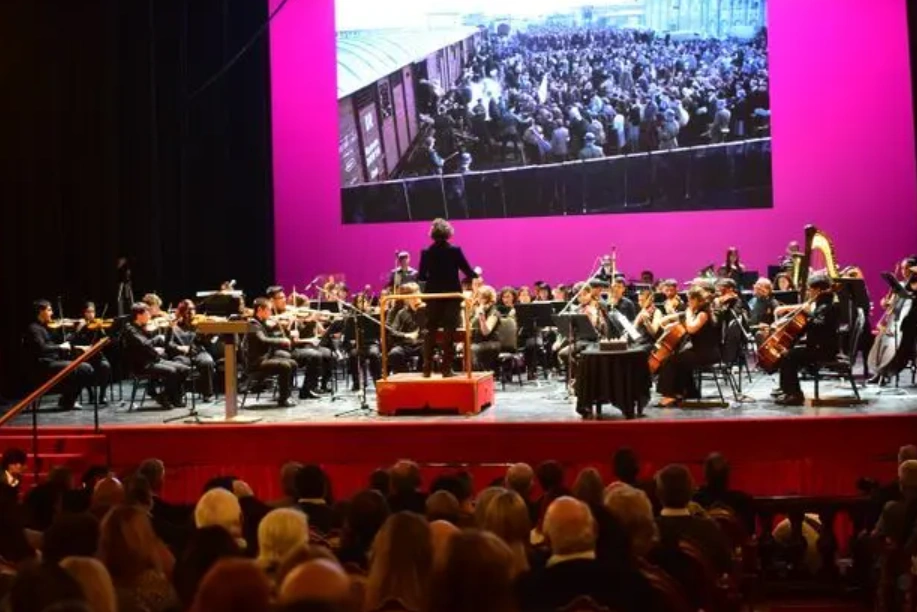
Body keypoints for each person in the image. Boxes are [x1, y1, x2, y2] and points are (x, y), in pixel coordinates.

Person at [418, 218, 478, 378]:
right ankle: (446, 368)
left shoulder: (426, 252)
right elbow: (468, 272)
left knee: (430, 331)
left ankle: (426, 368)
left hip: (433, 296)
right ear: (448, 233)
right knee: (449, 332)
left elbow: (422, 276)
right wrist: (477, 273)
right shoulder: (454, 250)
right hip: (452, 296)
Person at [773, 273, 839, 405]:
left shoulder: (827, 306)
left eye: (810, 289)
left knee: (789, 356)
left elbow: (819, 325)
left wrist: (806, 320)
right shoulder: (824, 304)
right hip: (819, 346)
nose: (809, 292)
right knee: (788, 353)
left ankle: (794, 395)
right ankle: (788, 390)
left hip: (823, 350)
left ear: (818, 290)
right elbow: (813, 325)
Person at [656, 286, 720, 407]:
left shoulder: (703, 314)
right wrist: (670, 322)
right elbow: (682, 319)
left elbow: (691, 329)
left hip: (706, 354)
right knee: (678, 358)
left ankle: (670, 395)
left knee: (670, 361)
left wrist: (689, 313)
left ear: (697, 300)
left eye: (690, 300)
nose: (688, 302)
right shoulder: (697, 312)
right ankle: (686, 392)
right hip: (699, 351)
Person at [23, 299, 94, 409]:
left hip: (55, 361)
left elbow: (65, 342)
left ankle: (67, 400)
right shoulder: (34, 328)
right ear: (40, 311)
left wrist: (76, 331)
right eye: (49, 310)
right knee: (82, 369)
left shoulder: (48, 327)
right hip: (44, 364)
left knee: (86, 368)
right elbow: (41, 348)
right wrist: (60, 347)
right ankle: (66, 400)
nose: (52, 313)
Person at [122, 303, 191, 409]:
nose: (150, 316)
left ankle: (165, 396)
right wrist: (157, 343)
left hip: (154, 360)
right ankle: (170, 398)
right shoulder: (131, 330)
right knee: (172, 371)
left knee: (184, 369)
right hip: (143, 365)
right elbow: (145, 344)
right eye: (147, 313)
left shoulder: (143, 327)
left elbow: (165, 343)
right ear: (139, 315)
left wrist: (170, 329)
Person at [267, 286, 329, 398]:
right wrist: (287, 324)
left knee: (317, 355)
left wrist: (311, 322)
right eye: (280, 298)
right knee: (314, 354)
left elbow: (303, 334)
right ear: (272, 301)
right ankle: (287, 392)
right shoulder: (268, 315)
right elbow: (271, 334)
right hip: (277, 351)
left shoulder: (290, 312)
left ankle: (307, 389)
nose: (284, 300)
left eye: (284, 297)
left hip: (292, 349)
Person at [245, 297, 297, 408]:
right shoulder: (253, 324)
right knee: (285, 365)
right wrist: (281, 341)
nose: (271, 312)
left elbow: (272, 335)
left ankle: (286, 395)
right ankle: (283, 400)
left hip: (266, 358)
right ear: (260, 309)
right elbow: (263, 340)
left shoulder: (262, 323)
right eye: (269, 309)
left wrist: (284, 327)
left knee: (292, 363)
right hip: (257, 362)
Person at [169, 300, 215, 402]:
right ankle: (178, 395)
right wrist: (179, 348)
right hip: (182, 355)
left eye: (193, 309)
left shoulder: (198, 324)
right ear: (182, 311)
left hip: (198, 351)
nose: (192, 312)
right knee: (178, 366)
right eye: (189, 310)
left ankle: (208, 394)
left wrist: (210, 334)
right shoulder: (174, 326)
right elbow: (169, 344)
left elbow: (206, 342)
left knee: (207, 362)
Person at [71, 301, 112, 405]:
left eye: (93, 312)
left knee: (106, 366)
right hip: (82, 355)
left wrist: (102, 331)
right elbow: (71, 342)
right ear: (84, 313)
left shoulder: (97, 324)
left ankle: (102, 395)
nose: (91, 314)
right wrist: (78, 330)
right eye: (88, 312)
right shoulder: (79, 325)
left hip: (96, 354)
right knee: (85, 369)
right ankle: (91, 394)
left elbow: (105, 341)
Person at [344, 292, 382, 392]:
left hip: (371, 343)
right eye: (360, 302)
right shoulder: (351, 317)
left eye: (364, 301)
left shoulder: (374, 316)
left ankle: (377, 380)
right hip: (357, 344)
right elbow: (347, 334)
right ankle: (357, 382)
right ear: (356, 304)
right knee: (353, 355)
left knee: (374, 354)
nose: (363, 303)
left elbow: (379, 332)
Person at [387, 283, 426, 374]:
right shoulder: (402, 313)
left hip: (423, 343)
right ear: (407, 298)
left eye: (417, 293)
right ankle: (404, 377)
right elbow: (392, 331)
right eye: (412, 295)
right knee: (394, 353)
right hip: (406, 345)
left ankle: (422, 377)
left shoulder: (427, 310)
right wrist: (406, 335)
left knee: (427, 352)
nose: (416, 297)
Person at [471, 285, 501, 372]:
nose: (479, 300)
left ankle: (478, 376)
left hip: (490, 342)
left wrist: (481, 318)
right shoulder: (474, 311)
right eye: (478, 297)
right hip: (476, 341)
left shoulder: (494, 312)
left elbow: (486, 332)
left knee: (472, 349)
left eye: (483, 298)